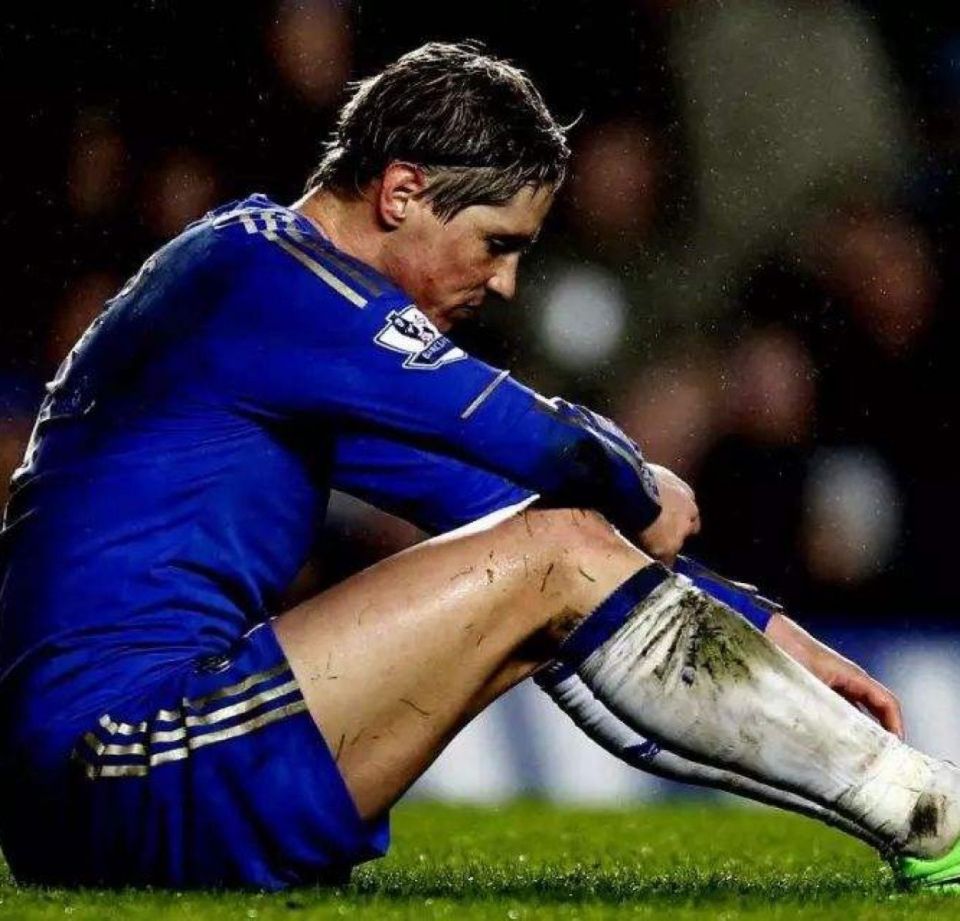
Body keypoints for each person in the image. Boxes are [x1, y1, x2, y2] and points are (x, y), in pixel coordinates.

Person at [0, 42, 957, 892]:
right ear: (402, 193)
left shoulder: (273, 320)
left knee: (550, 557)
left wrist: (768, 628)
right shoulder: (265, 276)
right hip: (121, 761)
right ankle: (927, 811)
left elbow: (509, 504)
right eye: (497, 244)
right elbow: (526, 438)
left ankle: (913, 806)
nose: (504, 282)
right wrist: (637, 478)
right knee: (550, 556)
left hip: (100, 783)